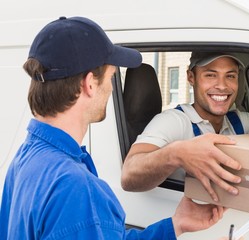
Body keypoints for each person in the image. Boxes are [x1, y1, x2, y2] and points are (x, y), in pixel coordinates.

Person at [0, 17, 227, 240]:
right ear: (89, 84)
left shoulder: (26, 158)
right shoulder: (76, 189)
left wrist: (175, 225)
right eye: (111, 77)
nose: (110, 88)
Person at [121, 51, 249, 202]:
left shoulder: (239, 121)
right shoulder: (173, 121)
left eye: (230, 76)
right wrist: (176, 154)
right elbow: (128, 175)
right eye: (211, 75)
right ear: (191, 77)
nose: (222, 86)